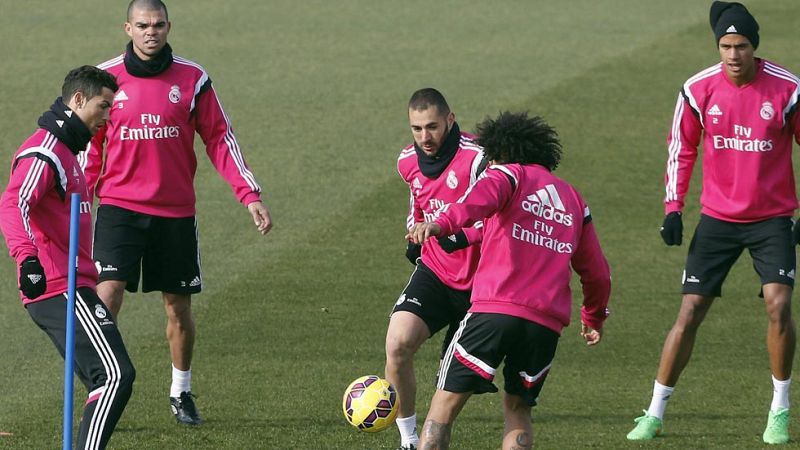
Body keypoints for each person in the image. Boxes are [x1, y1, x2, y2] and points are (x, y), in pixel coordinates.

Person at [81, 0, 272, 425]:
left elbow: (219, 138)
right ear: (127, 28)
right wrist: (78, 198)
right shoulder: (104, 78)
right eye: (143, 25)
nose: (152, 32)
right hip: (118, 207)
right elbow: (89, 143)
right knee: (106, 299)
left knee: (177, 308)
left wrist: (249, 194)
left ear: (169, 26)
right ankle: (102, 388)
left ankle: (180, 393)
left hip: (174, 212)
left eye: (159, 24)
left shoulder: (192, 78)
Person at [626, 1, 800, 445]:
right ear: (717, 46)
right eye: (725, 45)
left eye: (741, 45)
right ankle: (655, 412)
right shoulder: (697, 89)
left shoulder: (787, 89)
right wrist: (672, 208)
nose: (733, 54)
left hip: (773, 218)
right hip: (718, 219)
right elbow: (680, 150)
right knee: (689, 312)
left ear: (754, 47)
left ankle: (779, 411)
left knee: (779, 306)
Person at [408, 111, 612, 450]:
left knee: (444, 406)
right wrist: (593, 316)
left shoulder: (508, 176)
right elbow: (597, 272)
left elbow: (474, 203)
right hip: (544, 326)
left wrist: (440, 223)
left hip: (494, 312)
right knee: (518, 409)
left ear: (500, 151)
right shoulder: (574, 200)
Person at [0, 65, 136, 450]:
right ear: (78, 101)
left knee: (106, 378)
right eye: (102, 106)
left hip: (75, 285)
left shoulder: (68, 150)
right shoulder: (46, 150)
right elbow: (12, 204)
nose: (107, 116)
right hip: (59, 286)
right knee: (113, 377)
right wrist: (27, 260)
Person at [386, 88, 485, 450]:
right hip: (437, 273)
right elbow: (419, 205)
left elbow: (501, 218)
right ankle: (408, 439)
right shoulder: (406, 162)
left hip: (482, 284)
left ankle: (434, 435)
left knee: (450, 382)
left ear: (450, 120)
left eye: (432, 127)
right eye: (416, 129)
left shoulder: (478, 159)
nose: (424, 138)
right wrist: (415, 233)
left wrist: (461, 237)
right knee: (397, 345)